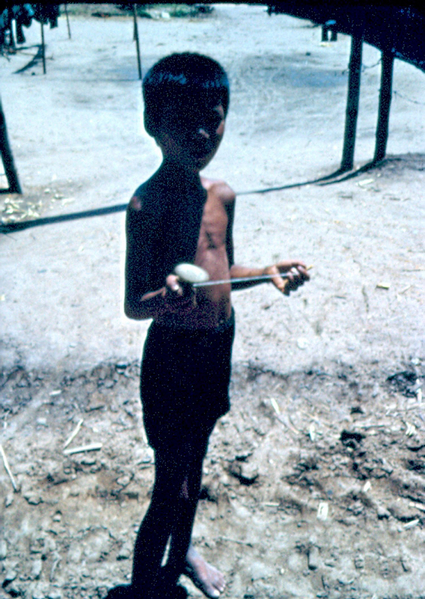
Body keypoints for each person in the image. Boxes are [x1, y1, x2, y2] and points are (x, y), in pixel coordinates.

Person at [111, 53, 309, 599]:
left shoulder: (221, 195)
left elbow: (223, 272)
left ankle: (183, 553)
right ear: (153, 124)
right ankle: (143, 586)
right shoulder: (145, 206)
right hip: (173, 356)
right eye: (183, 120)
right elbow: (134, 303)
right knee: (169, 484)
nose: (201, 132)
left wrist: (264, 272)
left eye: (213, 116)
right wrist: (164, 299)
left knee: (195, 469)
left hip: (216, 349)